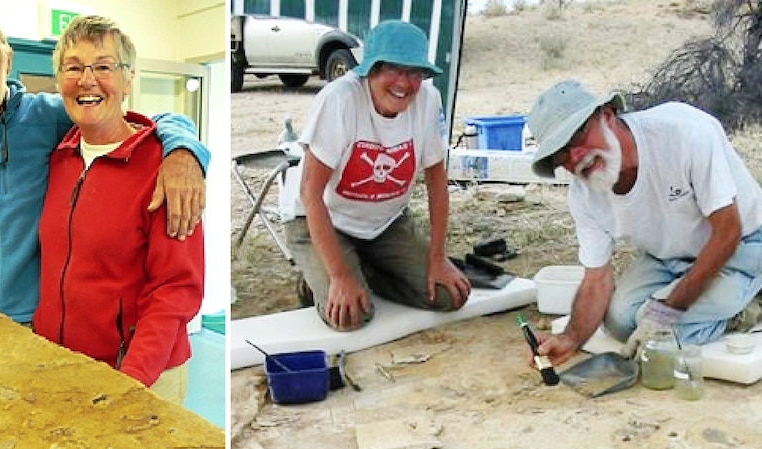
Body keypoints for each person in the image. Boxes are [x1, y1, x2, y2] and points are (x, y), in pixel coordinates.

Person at [0, 4, 208, 325]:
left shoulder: (50, 117)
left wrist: (183, 151)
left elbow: (146, 122)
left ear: (7, 57)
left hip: (35, 325)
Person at [526, 79, 762, 367]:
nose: (577, 157)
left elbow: (728, 231)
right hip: (667, 258)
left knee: (655, 330)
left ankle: (749, 306)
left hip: (743, 244)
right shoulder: (583, 194)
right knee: (620, 322)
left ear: (608, 115)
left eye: (577, 137)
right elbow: (597, 278)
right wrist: (571, 338)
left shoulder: (684, 133)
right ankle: (714, 301)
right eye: (561, 155)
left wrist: (665, 314)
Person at [32, 15, 204, 404]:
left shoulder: (167, 168)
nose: (87, 80)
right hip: (63, 367)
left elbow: (176, 289)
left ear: (128, 80)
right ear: (59, 81)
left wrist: (129, 381)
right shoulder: (58, 158)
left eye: (104, 66)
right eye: (73, 67)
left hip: (140, 377)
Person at [279, 20, 471, 331]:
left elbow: (437, 180)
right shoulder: (339, 99)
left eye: (414, 72)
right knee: (351, 317)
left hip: (385, 222)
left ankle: (362, 268)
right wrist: (339, 277)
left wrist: (437, 257)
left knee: (451, 295)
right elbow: (309, 194)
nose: (404, 82)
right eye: (393, 69)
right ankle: (322, 277)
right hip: (321, 219)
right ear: (371, 70)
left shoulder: (428, 99)